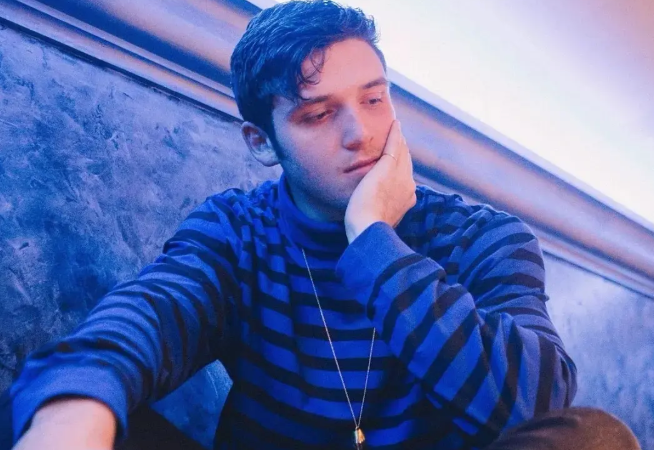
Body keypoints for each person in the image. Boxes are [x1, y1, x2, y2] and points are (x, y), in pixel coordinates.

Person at [6, 1, 641, 449]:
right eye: (317, 115)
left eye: (374, 98)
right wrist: (72, 415)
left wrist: (374, 241)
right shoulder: (237, 230)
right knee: (65, 397)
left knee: (597, 439)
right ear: (261, 141)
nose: (360, 132)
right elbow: (150, 314)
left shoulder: (481, 238)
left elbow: (535, 403)